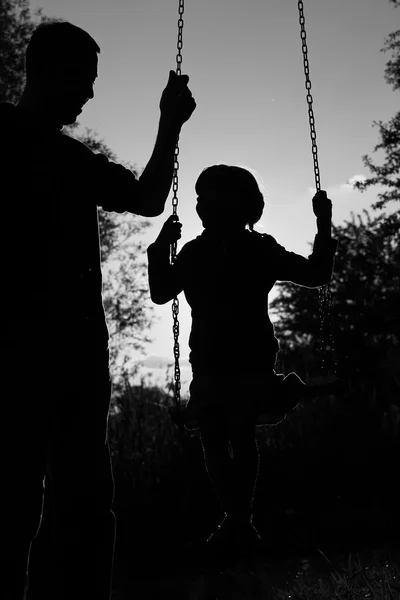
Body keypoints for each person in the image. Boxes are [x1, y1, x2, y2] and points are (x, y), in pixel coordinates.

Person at [0, 20, 195, 600]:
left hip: (66, 354)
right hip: (42, 354)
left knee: (57, 503)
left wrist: (167, 124)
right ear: (49, 70)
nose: (89, 94)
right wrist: (168, 125)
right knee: (49, 506)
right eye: (84, 79)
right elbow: (148, 198)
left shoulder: (69, 158)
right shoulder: (47, 153)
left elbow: (147, 199)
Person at [147, 164, 338, 557]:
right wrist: (160, 247)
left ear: (241, 205)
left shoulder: (257, 249)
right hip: (212, 363)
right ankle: (237, 519)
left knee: (236, 433)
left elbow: (317, 274)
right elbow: (162, 292)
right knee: (218, 438)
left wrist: (324, 225)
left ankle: (237, 520)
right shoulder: (196, 252)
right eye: (202, 198)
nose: (204, 205)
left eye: (213, 198)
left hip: (246, 362)